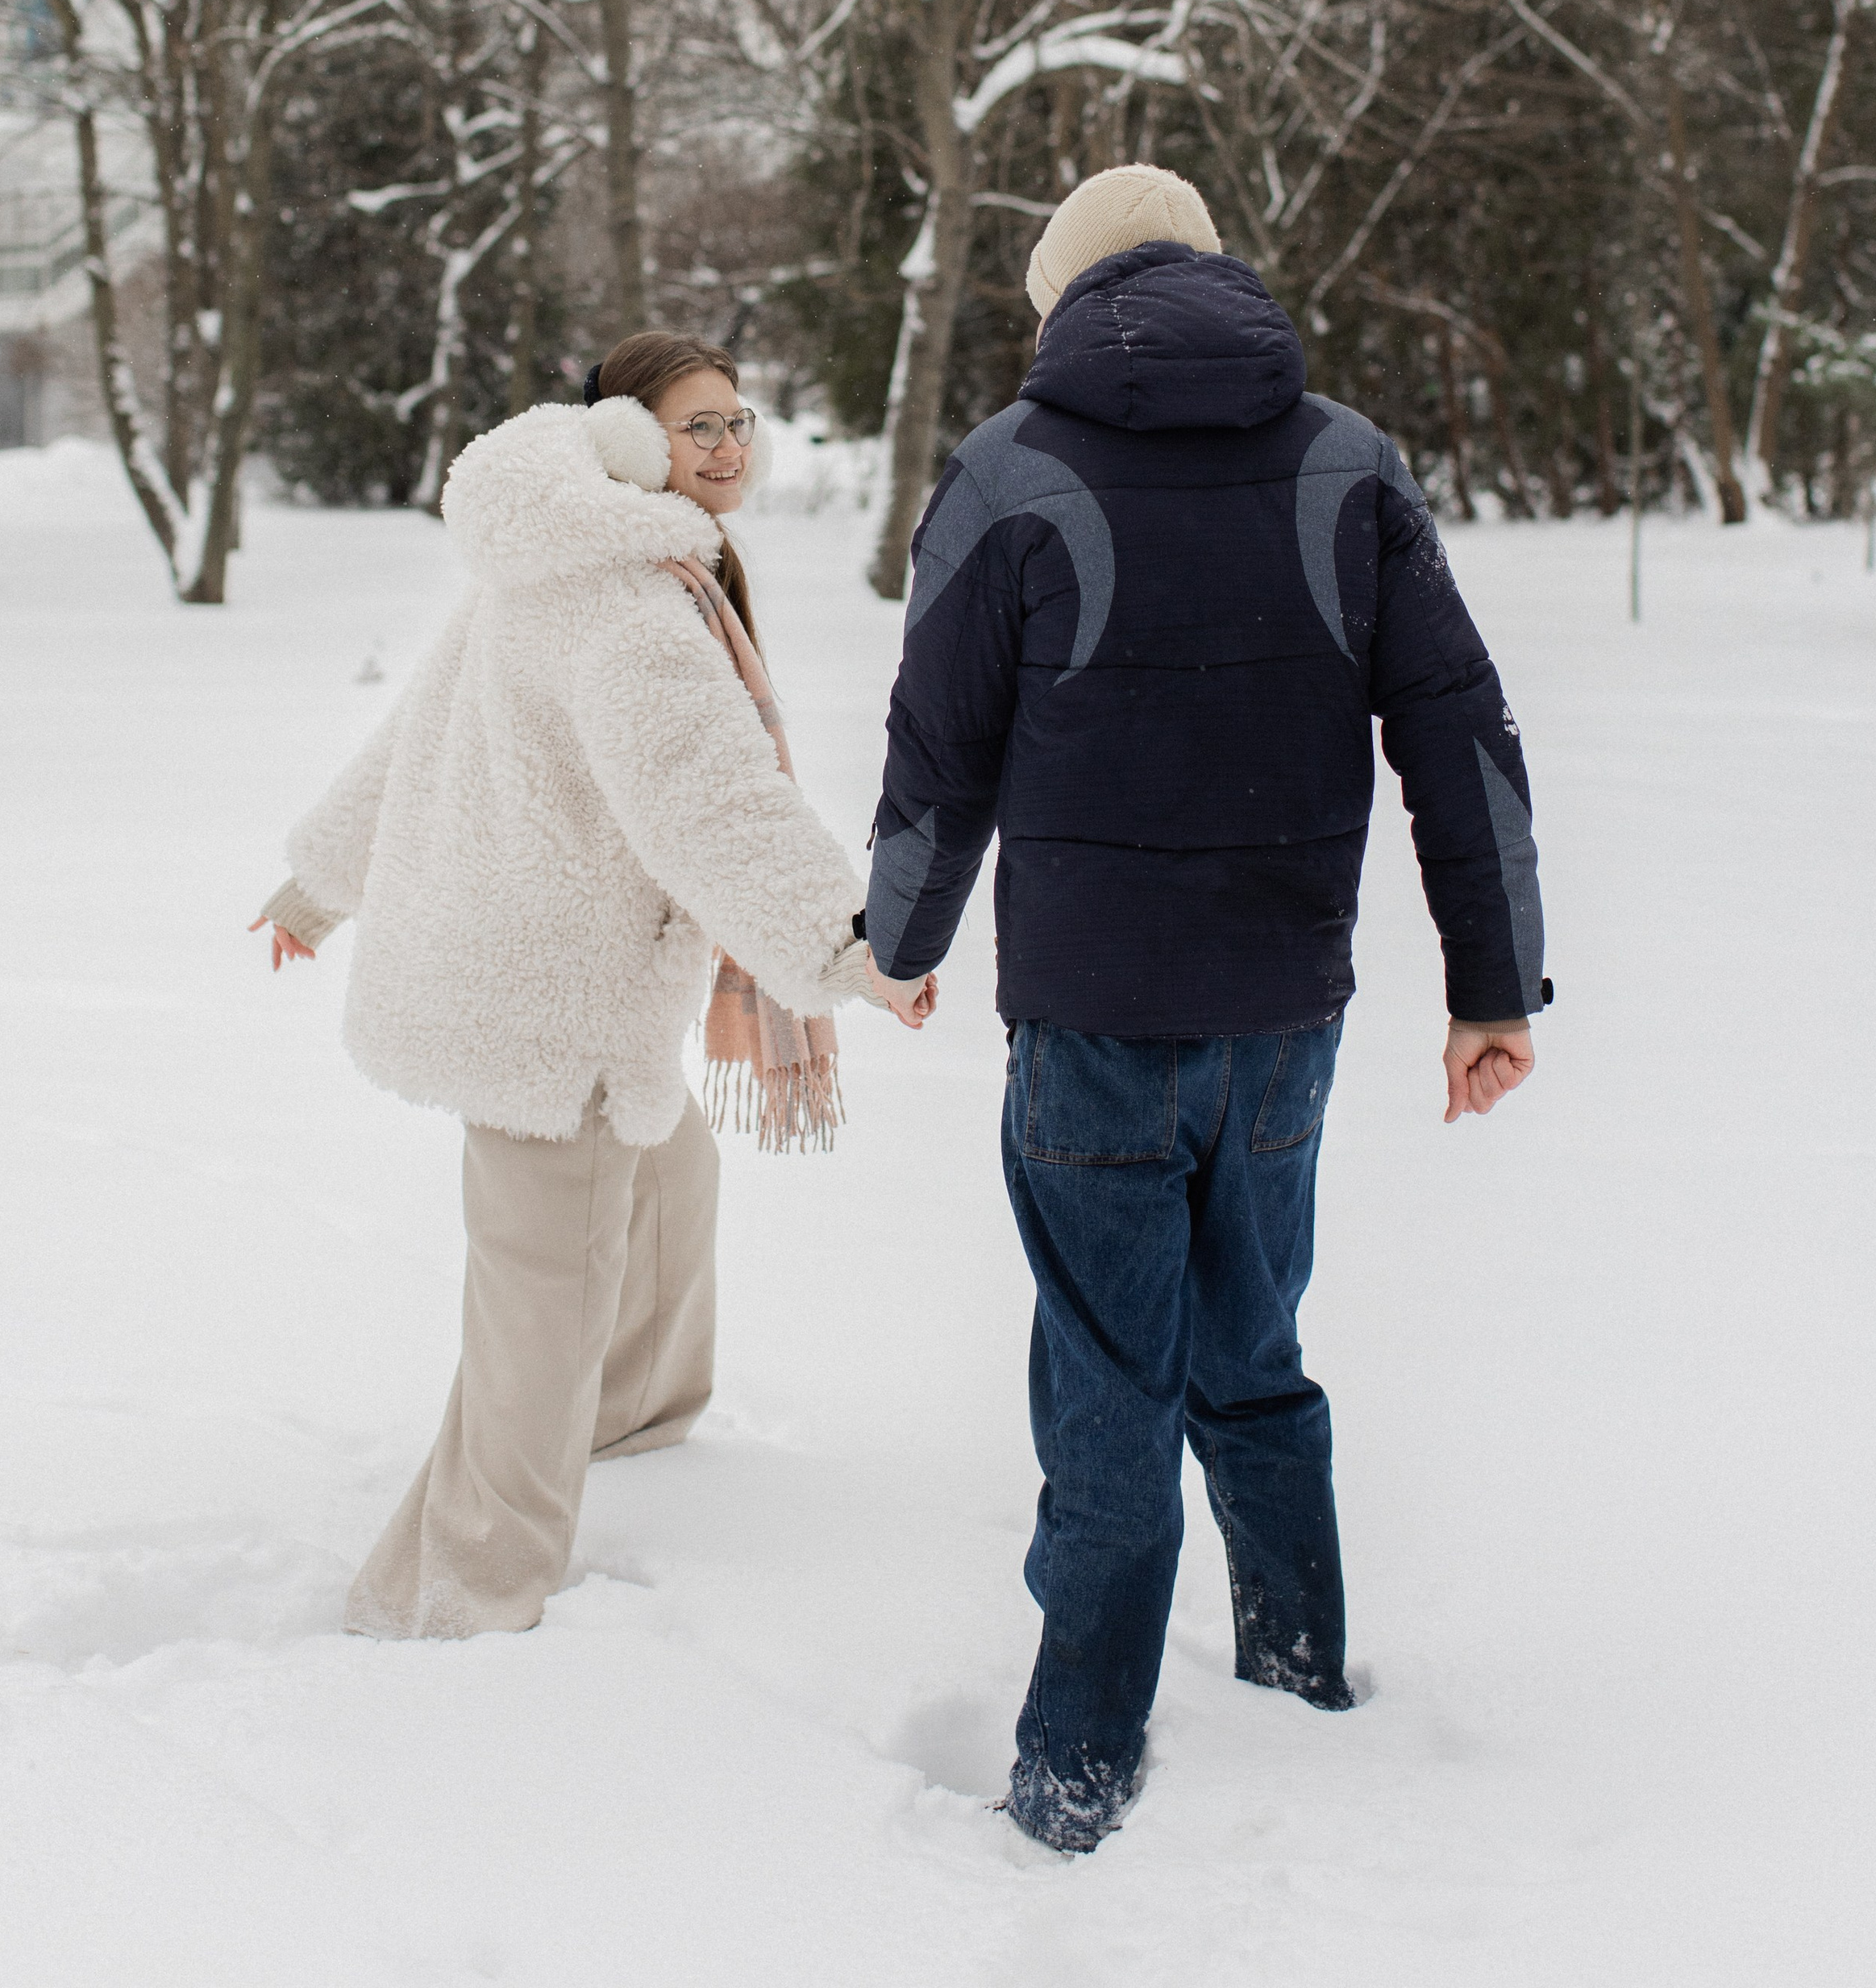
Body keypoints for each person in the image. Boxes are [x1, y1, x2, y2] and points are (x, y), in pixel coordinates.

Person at [862, 168, 1549, 1853]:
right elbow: (1458, 731)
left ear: (1063, 301)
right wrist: (1489, 983)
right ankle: (1298, 1680)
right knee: (1249, 1351)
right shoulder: (1345, 460)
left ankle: (1076, 1766)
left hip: (1093, 1023)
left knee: (1110, 1381)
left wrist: (898, 934)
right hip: (1279, 1014)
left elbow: (935, 747)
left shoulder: (1010, 466)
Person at [252, 332, 927, 1641]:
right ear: (622, 448)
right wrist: (849, 949)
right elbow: (705, 798)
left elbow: (412, 734)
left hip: (543, 965)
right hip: (539, 999)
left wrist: (316, 888)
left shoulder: (573, 566)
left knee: (670, 1168)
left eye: (739, 420)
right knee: (543, 1278)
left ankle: (638, 1411)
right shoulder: (627, 597)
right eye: (695, 428)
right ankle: (462, 1582)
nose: (728, 446)